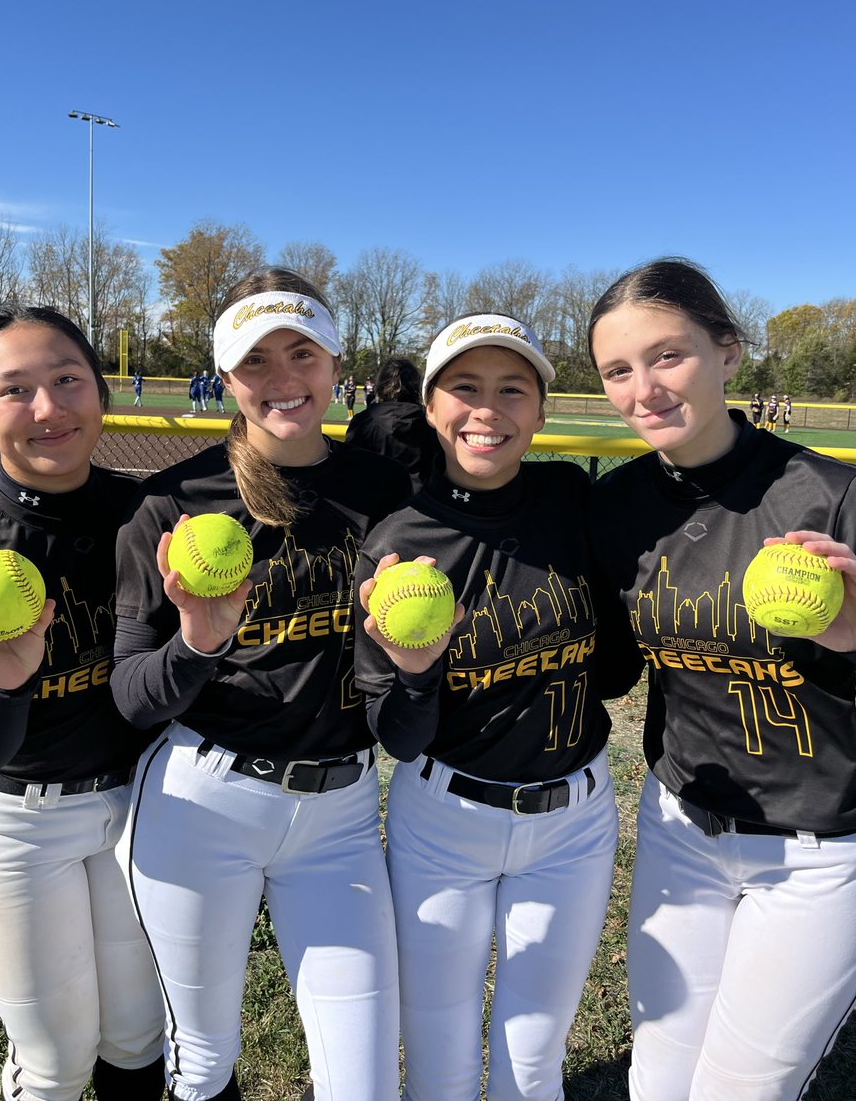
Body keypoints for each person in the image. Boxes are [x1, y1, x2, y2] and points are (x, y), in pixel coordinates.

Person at [112, 268, 411, 1101]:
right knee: (202, 1062)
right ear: (227, 375)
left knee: (362, 1079)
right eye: (256, 361)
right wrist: (198, 644)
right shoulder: (172, 500)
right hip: (203, 804)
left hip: (343, 811)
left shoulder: (384, 491)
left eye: (302, 352)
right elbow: (131, 694)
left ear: (335, 360)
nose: (283, 378)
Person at [587, 257, 856, 1101]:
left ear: (729, 353)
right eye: (618, 371)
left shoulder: (830, 495)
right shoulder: (618, 504)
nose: (645, 389)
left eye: (669, 356)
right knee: (659, 1080)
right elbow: (611, 667)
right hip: (682, 827)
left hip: (820, 849)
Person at [354, 314, 641, 1101]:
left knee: (534, 1056)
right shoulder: (397, 543)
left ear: (542, 411)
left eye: (512, 389)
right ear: (431, 405)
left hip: (576, 825)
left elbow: (613, 674)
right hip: (445, 823)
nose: (488, 409)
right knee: (441, 1056)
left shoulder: (569, 499)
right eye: (465, 387)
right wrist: (414, 672)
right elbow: (398, 738)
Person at [0, 306, 165, 1101]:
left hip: (142, 807)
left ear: (100, 391)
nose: (49, 409)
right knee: (53, 1064)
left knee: (141, 1040)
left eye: (67, 379)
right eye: (14, 390)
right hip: (13, 822)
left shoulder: (147, 514)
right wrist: (6, 684)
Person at [345, 356, 440, 490]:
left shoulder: (363, 421)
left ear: (381, 383)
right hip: (420, 502)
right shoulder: (432, 423)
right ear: (416, 385)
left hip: (370, 499)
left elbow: (348, 466)